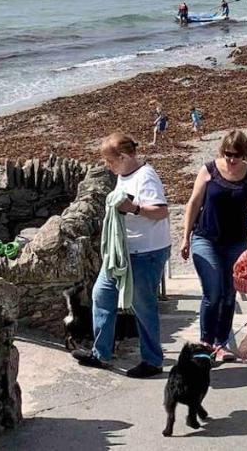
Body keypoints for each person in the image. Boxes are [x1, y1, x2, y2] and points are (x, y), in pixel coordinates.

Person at [73, 133, 171, 378]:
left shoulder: (146, 177)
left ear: (125, 157)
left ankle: (152, 360)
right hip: (122, 253)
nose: (108, 166)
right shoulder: (123, 175)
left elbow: (161, 212)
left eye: (110, 161)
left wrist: (133, 208)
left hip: (146, 252)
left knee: (143, 306)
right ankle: (101, 353)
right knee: (102, 294)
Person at [181, 130, 247, 362]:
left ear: (244, 154)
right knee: (213, 291)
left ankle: (221, 343)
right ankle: (205, 343)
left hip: (235, 241)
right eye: (228, 154)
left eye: (237, 155)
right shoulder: (209, 170)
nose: (232, 159)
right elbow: (194, 202)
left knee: (229, 294)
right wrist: (185, 237)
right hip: (205, 237)